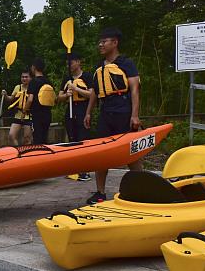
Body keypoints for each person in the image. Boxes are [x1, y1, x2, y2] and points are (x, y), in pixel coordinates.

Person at [84, 28, 142, 204]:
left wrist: (135, 115)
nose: (100, 45)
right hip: (105, 113)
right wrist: (88, 112)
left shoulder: (126, 63)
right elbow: (95, 91)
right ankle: (100, 193)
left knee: (131, 154)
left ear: (115, 42)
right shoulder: (100, 66)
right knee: (101, 154)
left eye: (104, 41)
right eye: (99, 42)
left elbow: (135, 90)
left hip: (123, 111)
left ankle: (141, 190)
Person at [57, 52, 94, 181]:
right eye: (68, 64)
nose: (69, 66)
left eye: (71, 63)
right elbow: (59, 97)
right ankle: (74, 168)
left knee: (82, 139)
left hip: (83, 109)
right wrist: (67, 95)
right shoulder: (67, 78)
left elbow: (91, 95)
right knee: (72, 139)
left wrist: (76, 89)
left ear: (78, 62)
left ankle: (85, 170)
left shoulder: (87, 76)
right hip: (70, 110)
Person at [25, 58, 54, 145]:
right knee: (44, 137)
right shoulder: (48, 81)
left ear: (33, 67)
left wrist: (25, 110)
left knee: (37, 138)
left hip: (37, 114)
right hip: (47, 113)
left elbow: (30, 99)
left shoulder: (33, 82)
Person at [3, 70, 33, 146]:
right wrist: (6, 95)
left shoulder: (33, 87)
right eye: (22, 77)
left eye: (26, 77)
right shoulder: (17, 87)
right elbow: (11, 99)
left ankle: (26, 154)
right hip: (18, 115)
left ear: (30, 78)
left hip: (28, 115)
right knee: (11, 136)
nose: (24, 79)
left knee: (27, 138)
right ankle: (18, 150)